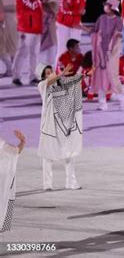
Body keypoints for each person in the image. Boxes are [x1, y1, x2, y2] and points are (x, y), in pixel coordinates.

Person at [37, 62, 94, 190]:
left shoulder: (61, 83)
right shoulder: (42, 86)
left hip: (65, 125)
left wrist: (86, 74)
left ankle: (71, 182)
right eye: (47, 73)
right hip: (49, 127)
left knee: (70, 153)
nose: (51, 74)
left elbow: (74, 81)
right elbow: (52, 81)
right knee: (48, 155)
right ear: (43, 77)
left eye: (51, 71)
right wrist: (61, 74)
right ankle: (47, 184)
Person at [89, 0, 122, 111]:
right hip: (100, 52)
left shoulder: (118, 20)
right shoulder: (101, 18)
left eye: (107, 5)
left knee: (113, 76)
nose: (105, 7)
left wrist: (117, 38)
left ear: (112, 7)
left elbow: (120, 35)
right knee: (100, 77)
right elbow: (94, 30)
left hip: (111, 53)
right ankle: (102, 102)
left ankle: (123, 99)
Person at [11, 0, 43, 87]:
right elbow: (26, 11)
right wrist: (23, 29)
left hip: (36, 28)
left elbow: (38, 11)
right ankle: (16, 77)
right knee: (22, 53)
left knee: (34, 53)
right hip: (27, 29)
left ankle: (33, 76)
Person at [55, 0, 86, 67]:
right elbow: (64, 9)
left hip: (75, 24)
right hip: (63, 24)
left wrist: (75, 12)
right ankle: (58, 69)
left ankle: (75, 69)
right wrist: (76, 12)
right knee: (62, 47)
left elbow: (81, 9)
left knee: (76, 48)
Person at [0, 130, 25, 233]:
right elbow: (17, 151)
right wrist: (23, 140)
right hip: (4, 176)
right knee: (5, 198)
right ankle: (3, 224)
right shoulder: (3, 145)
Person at [40, 0, 65, 66]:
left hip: (52, 20)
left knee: (51, 45)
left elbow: (53, 5)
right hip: (59, 20)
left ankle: (50, 68)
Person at [0, 0, 19, 77]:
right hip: (1, 21)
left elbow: (19, 6)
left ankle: (12, 69)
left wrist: (4, 8)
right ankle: (9, 68)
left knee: (13, 46)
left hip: (13, 22)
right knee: (1, 47)